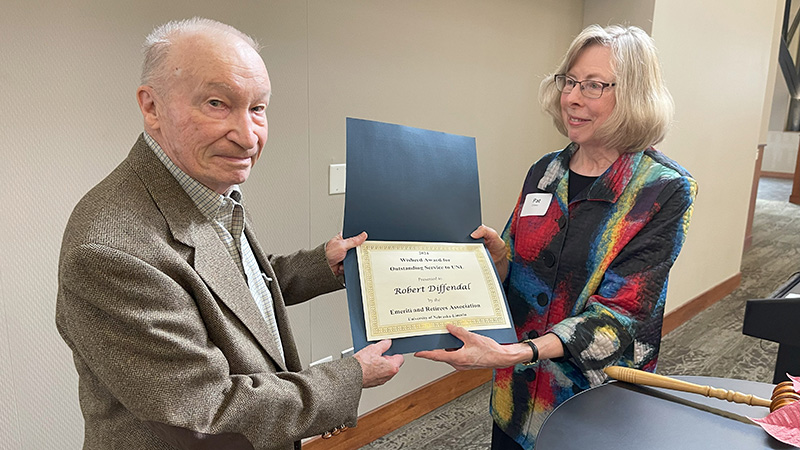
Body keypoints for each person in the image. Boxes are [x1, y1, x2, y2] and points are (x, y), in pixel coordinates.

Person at [55, 18, 404, 450]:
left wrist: (324, 264)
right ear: (151, 107)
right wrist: (351, 375)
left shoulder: (204, 186)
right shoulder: (109, 251)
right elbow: (207, 412)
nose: (247, 136)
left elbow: (231, 289)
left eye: (258, 109)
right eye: (217, 103)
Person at [416, 24, 696, 450]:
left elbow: (619, 319)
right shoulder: (546, 171)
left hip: (594, 403)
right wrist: (498, 259)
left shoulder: (663, 190)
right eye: (569, 81)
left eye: (594, 86)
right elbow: (521, 273)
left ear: (634, 94)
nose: (572, 98)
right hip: (517, 398)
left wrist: (515, 352)